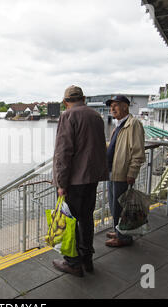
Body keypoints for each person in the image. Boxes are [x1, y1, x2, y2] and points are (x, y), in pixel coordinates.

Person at [52, 85, 109, 277]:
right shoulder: (96, 116)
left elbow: (63, 153)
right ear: (83, 98)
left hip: (74, 181)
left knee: (70, 221)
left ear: (65, 101)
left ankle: (73, 263)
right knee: (86, 219)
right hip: (92, 178)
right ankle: (87, 259)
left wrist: (61, 183)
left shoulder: (67, 116)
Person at [105, 95, 145, 247]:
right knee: (114, 206)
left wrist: (132, 173)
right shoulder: (119, 125)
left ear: (125, 107)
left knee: (120, 207)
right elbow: (115, 147)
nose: (112, 109)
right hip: (112, 172)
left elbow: (138, 152)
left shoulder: (133, 124)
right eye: (111, 106)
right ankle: (119, 231)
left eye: (115, 105)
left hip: (122, 174)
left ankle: (123, 238)